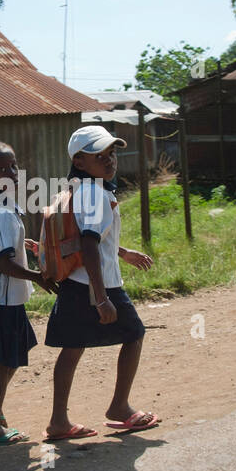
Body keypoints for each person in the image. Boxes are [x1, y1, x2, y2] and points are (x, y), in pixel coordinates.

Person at [44, 126, 160, 441]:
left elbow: (89, 237)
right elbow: (90, 245)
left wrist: (122, 252)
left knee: (72, 348)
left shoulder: (80, 188)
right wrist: (100, 297)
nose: (109, 160)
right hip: (98, 285)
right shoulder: (95, 192)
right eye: (100, 155)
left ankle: (58, 421)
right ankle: (120, 407)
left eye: (112, 153)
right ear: (80, 161)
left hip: (78, 282)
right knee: (134, 333)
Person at [0, 141, 58, 448]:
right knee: (2, 361)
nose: (11, 172)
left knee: (16, 351)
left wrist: (23, 244)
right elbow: (3, 262)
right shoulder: (3, 212)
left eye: (13, 166)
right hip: (2, 299)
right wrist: (38, 276)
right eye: (2, 169)